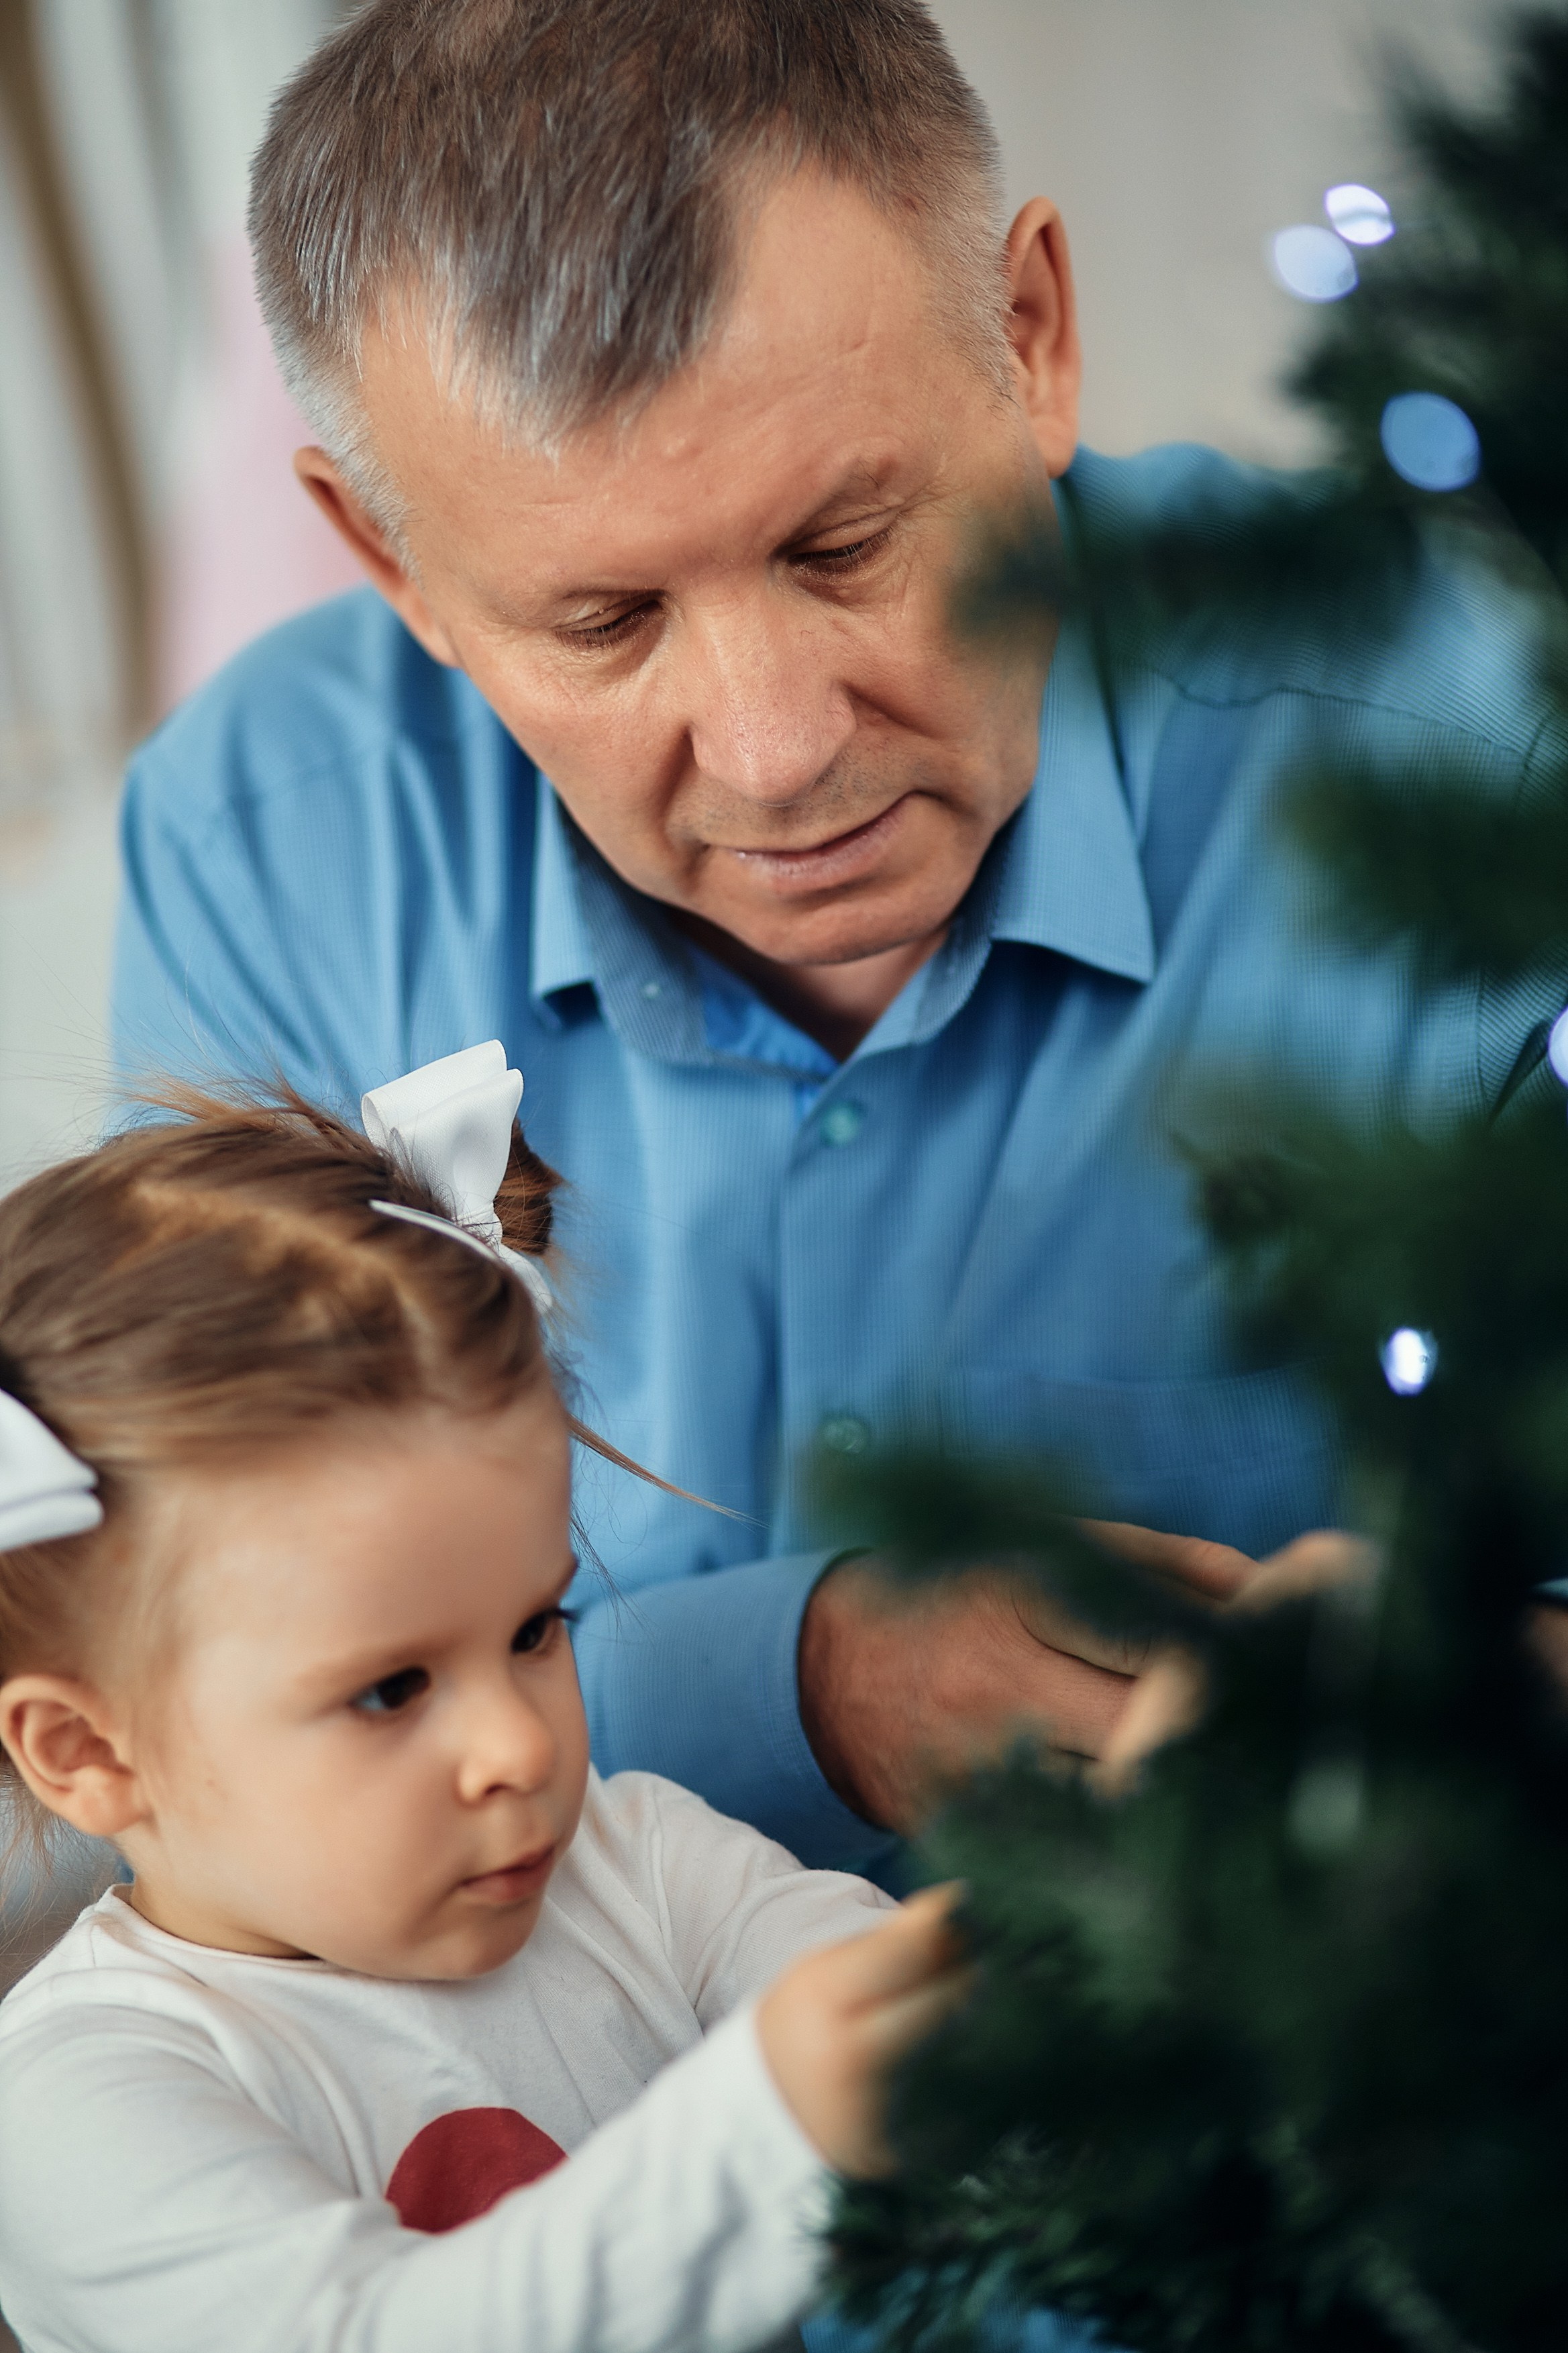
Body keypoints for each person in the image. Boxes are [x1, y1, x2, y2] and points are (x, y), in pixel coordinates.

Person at [109, 0, 1555, 1876]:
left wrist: (1420, 1704)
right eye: (607, 622)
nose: (777, 750)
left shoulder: (1501, 759)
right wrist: (800, 1687)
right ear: (391, 563)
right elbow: (204, 1688)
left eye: (845, 544)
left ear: (1028, 338)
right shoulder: (260, 840)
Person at [0, 1045, 965, 2353]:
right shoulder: (82, 2097)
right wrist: (773, 2122)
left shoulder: (638, 1862)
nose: (518, 1744)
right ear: (90, 1750)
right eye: (390, 1688)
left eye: (532, 1630)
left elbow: (944, 2062)